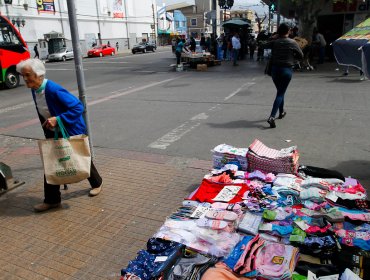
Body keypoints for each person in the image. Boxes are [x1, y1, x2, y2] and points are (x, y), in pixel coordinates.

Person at [16, 58, 103, 212]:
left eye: (27, 75)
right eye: (23, 75)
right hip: (53, 129)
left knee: (79, 157)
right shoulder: (34, 88)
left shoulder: (53, 89)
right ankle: (52, 200)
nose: (25, 79)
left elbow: (78, 107)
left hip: (70, 129)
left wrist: (58, 119)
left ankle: (97, 183)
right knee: (52, 162)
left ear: (39, 74)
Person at [264, 23, 303, 128]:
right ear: (288, 31)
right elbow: (301, 55)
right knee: (280, 93)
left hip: (275, 70)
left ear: (278, 32)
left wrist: (272, 38)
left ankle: (281, 112)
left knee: (280, 92)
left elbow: (263, 44)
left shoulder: (275, 42)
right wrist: (293, 56)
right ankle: (272, 116)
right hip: (286, 70)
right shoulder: (292, 42)